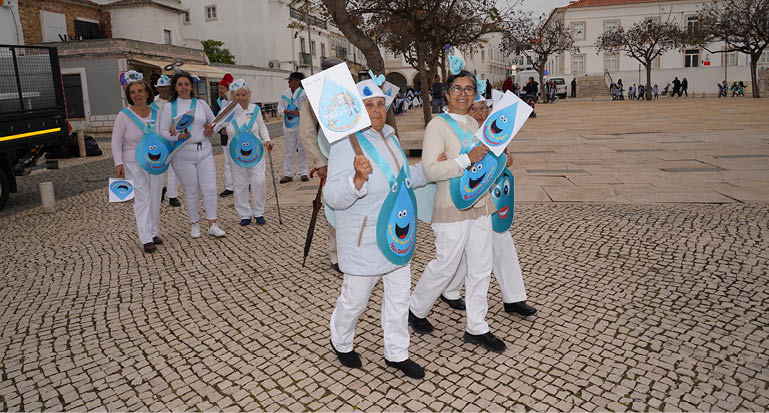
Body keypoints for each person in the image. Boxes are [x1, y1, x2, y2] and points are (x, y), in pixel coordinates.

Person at [325, 77, 428, 379]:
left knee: (398, 298)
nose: (377, 110)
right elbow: (333, 197)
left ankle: (397, 353)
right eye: (369, 105)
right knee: (355, 301)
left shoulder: (391, 138)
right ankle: (341, 340)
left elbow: (405, 178)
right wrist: (355, 180)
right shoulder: (346, 144)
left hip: (397, 235)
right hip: (363, 240)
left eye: (381, 104)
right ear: (357, 109)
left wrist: (436, 169)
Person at [409, 68, 505, 353]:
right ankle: (415, 308)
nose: (464, 94)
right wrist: (464, 159)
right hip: (450, 206)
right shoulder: (437, 126)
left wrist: (499, 161)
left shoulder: (475, 126)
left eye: (469, 90)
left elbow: (481, 165)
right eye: (458, 89)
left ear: (475, 95)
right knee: (446, 264)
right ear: (448, 94)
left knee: (480, 267)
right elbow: (431, 169)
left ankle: (477, 326)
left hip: (480, 205)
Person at [439, 95, 537, 317]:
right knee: (460, 250)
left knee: (501, 242)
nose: (480, 113)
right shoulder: (456, 132)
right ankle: (447, 290)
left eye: (483, 108)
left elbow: (497, 162)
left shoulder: (493, 132)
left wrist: (506, 158)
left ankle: (514, 298)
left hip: (490, 200)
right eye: (474, 109)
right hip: (465, 201)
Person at [159, 72, 226, 238]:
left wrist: (211, 129)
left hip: (204, 150)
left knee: (210, 188)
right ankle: (194, 224)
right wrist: (176, 136)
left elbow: (215, 123)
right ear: (175, 87)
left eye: (186, 84)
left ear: (191, 86)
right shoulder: (169, 107)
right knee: (191, 190)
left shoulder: (201, 104)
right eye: (180, 84)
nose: (184, 87)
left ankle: (212, 223)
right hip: (182, 153)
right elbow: (162, 131)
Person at [299, 56, 346, 274]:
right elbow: (307, 133)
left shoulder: (349, 91)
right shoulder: (313, 97)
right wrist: (320, 162)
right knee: (334, 207)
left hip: (353, 157)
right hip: (330, 158)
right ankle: (337, 255)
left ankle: (355, 249)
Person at [111, 73, 165, 253]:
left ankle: (153, 231)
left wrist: (178, 134)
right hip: (133, 161)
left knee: (155, 197)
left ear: (148, 93)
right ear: (129, 95)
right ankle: (145, 237)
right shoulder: (124, 115)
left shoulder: (157, 113)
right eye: (133, 92)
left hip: (155, 161)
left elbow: (164, 134)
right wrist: (118, 163)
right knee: (142, 199)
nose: (137, 94)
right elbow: (116, 141)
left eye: (140, 90)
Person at [225, 79, 273, 226]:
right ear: (232, 97)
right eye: (237, 95)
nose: (241, 98)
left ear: (248, 95)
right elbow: (215, 126)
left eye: (243, 95)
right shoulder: (227, 112)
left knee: (259, 180)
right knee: (240, 183)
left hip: (256, 151)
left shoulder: (255, 109)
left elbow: (262, 127)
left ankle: (259, 212)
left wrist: (267, 140)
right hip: (235, 152)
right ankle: (244, 213)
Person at [153, 74, 181, 208]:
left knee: (173, 169)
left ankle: (173, 195)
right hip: (157, 139)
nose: (164, 90)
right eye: (162, 88)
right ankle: (160, 190)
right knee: (158, 168)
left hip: (171, 138)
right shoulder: (152, 104)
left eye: (167, 88)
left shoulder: (175, 103)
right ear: (158, 89)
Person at [278, 72, 309, 183]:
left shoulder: (304, 94)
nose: (288, 82)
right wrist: (284, 111)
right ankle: (288, 174)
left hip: (300, 125)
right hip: (288, 125)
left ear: (297, 81)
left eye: (290, 80)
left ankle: (303, 172)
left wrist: (299, 113)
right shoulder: (284, 94)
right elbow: (279, 108)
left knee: (302, 149)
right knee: (288, 150)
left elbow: (308, 109)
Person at [216, 73, 235, 197]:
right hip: (224, 137)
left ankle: (246, 182)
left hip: (236, 135)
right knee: (227, 163)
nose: (220, 91)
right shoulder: (217, 103)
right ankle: (230, 186)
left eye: (222, 88)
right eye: (219, 88)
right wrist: (220, 130)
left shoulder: (235, 101)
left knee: (240, 160)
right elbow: (214, 119)